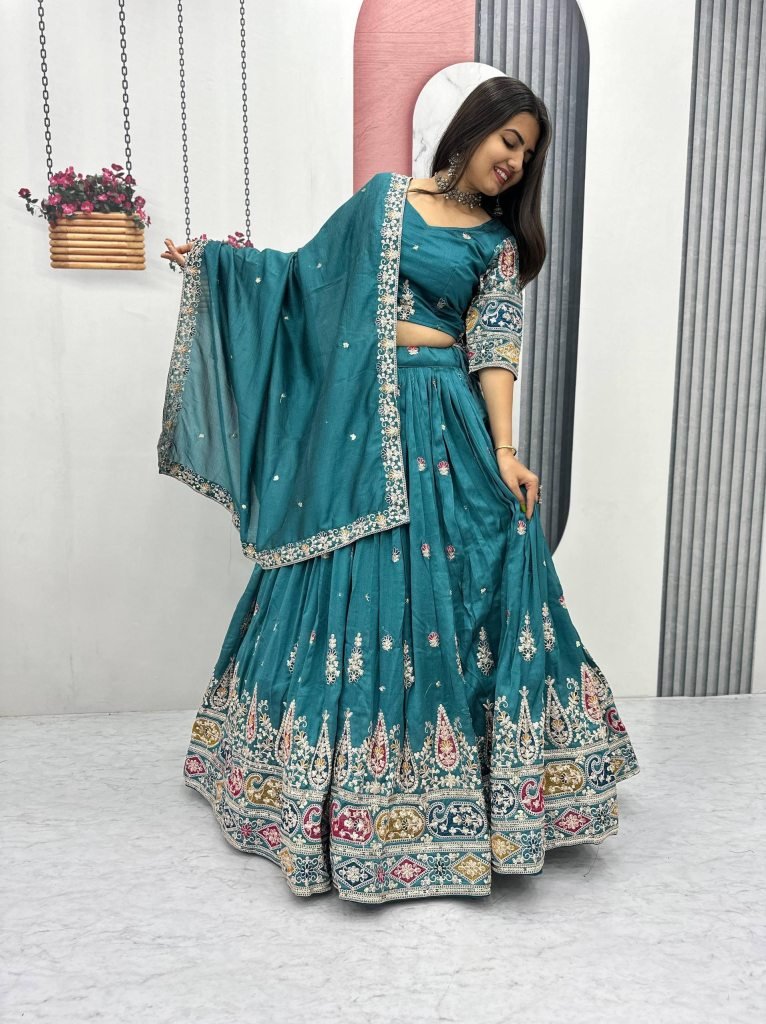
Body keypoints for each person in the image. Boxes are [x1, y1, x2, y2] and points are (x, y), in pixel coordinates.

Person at [159, 76, 640, 905]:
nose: (515, 162)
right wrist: (217, 265)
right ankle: (317, 790)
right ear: (474, 128)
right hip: (361, 418)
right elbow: (306, 280)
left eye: (528, 155)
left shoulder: (497, 244)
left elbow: (495, 349)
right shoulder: (384, 201)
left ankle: (472, 795)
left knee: (479, 571)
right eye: (510, 140)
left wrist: (506, 451)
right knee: (349, 582)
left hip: (445, 417)